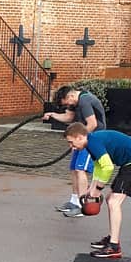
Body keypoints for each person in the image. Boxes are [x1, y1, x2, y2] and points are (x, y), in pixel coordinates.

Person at [63, 123, 131, 260]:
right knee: (110, 199)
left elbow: (108, 167)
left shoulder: (93, 143)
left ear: (79, 137)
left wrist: (98, 189)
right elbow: (99, 167)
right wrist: (90, 190)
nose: (71, 146)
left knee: (114, 202)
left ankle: (114, 247)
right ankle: (112, 238)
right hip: (130, 164)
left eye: (71, 142)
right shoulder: (90, 142)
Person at [42, 85, 106, 217]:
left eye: (67, 103)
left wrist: (79, 139)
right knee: (74, 168)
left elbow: (92, 124)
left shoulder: (85, 101)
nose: (68, 105)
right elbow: (69, 117)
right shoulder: (74, 102)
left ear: (70, 96)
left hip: (93, 138)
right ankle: (74, 201)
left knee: (80, 169)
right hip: (81, 138)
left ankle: (83, 206)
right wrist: (52, 115)